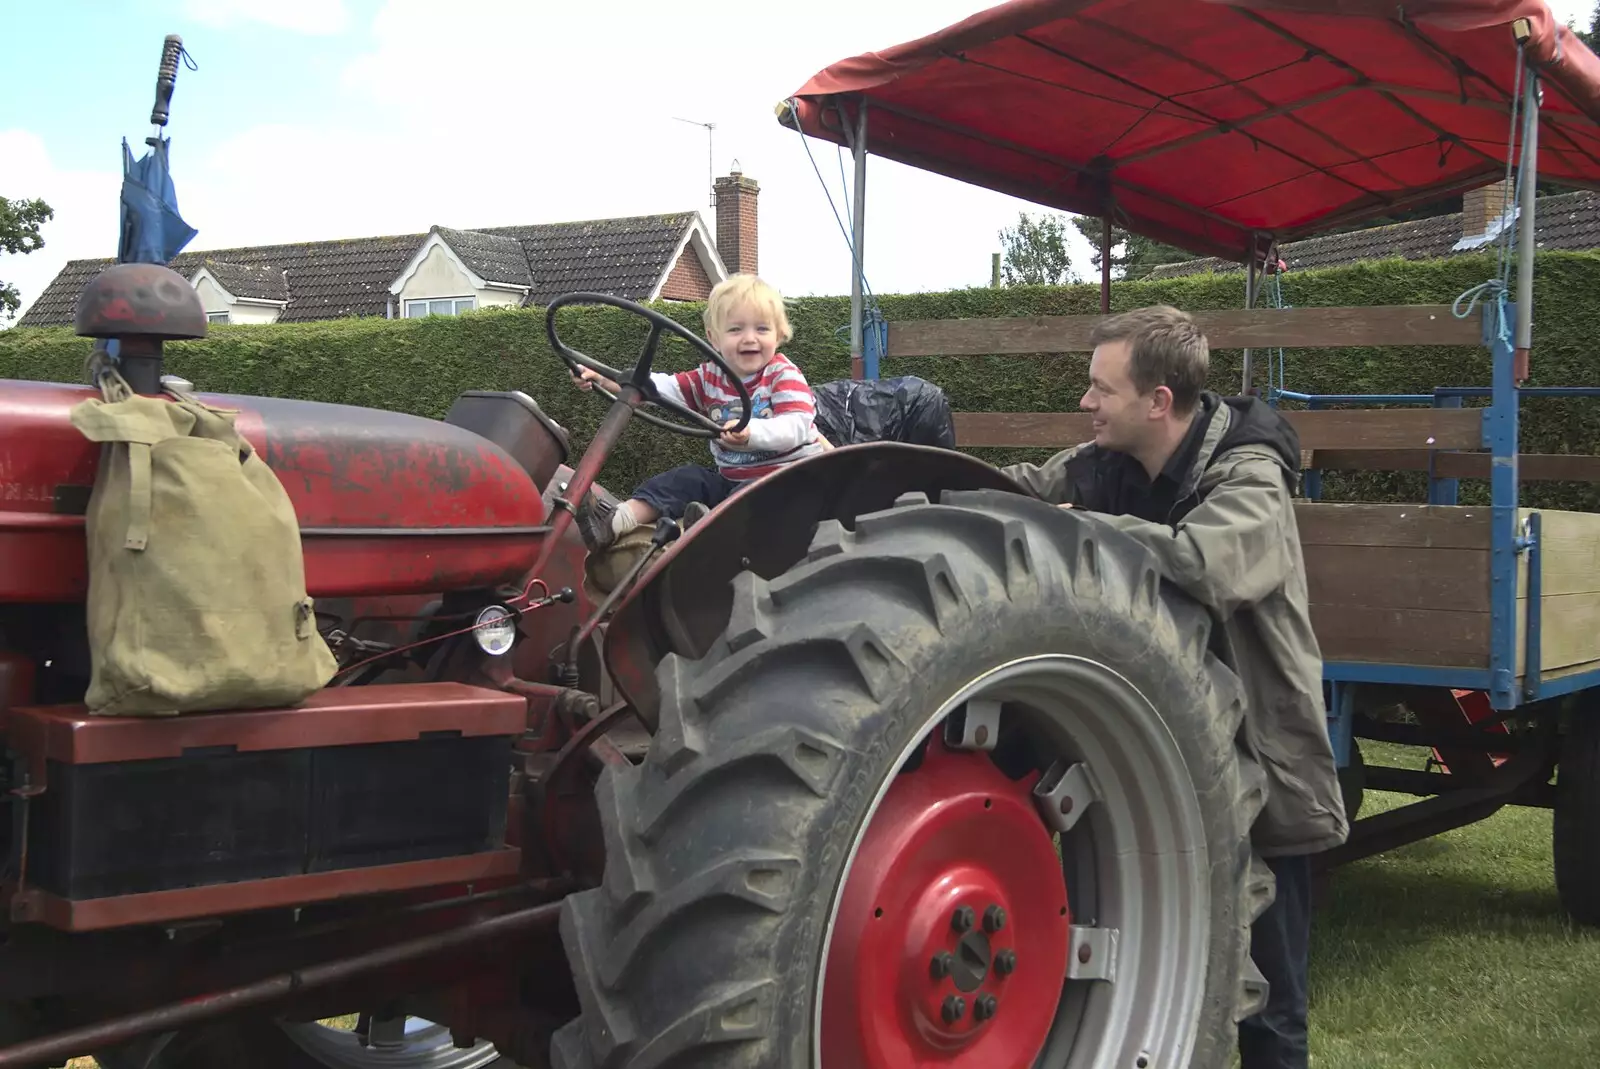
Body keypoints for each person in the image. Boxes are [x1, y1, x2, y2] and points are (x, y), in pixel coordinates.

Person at [998, 304, 1349, 1069]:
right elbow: (1017, 490)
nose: (1086, 403)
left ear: (1159, 401)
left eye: (1102, 389)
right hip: (1172, 760)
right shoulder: (1109, 464)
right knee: (1162, 966)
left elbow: (1205, 563)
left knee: (1271, 1007)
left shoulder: (1252, 475)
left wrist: (1081, 531)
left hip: (1264, 761)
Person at [570, 273, 828, 550]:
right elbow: (664, 388)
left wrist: (752, 433)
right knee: (686, 479)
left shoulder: (782, 374)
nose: (749, 339)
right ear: (713, 338)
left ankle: (709, 529)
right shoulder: (709, 377)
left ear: (779, 334)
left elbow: (797, 425)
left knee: (749, 497)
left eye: (762, 329)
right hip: (733, 479)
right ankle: (615, 522)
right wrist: (610, 379)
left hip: (790, 480)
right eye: (735, 330)